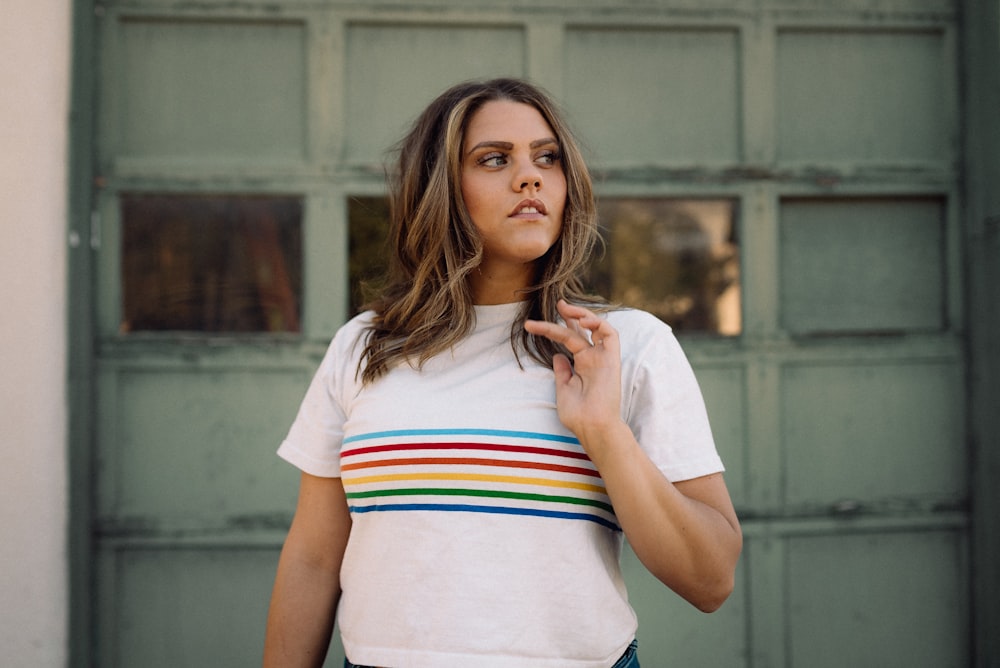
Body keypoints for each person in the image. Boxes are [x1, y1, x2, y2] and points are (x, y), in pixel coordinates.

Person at [263, 77, 742, 668]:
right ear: (438, 188)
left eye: (547, 158)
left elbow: (711, 579)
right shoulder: (367, 345)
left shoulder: (626, 347)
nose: (529, 177)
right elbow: (312, 559)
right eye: (494, 159)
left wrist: (605, 434)